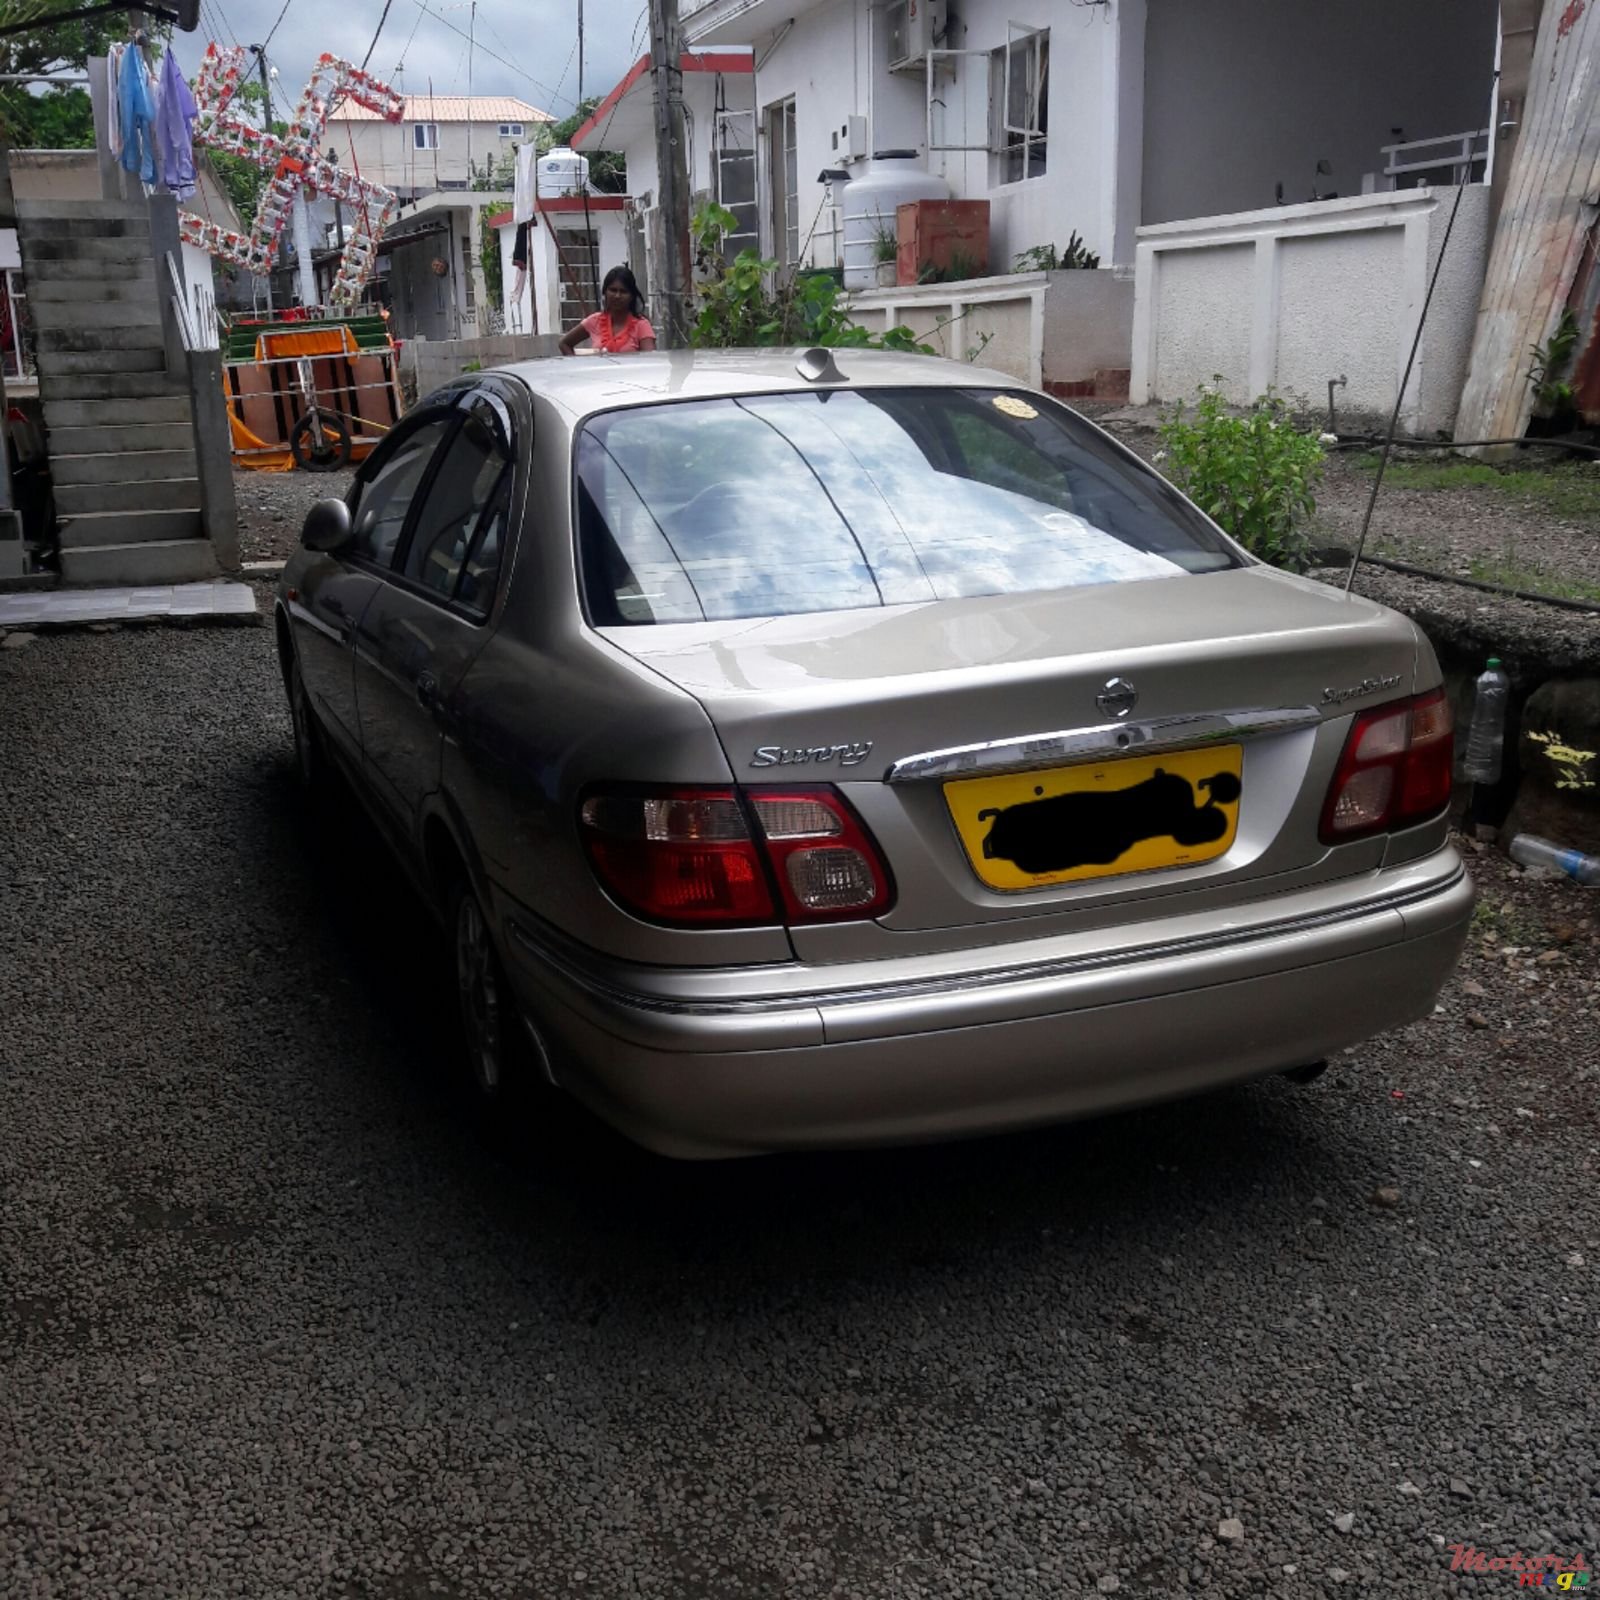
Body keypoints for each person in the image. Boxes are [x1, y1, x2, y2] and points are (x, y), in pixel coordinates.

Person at [559, 266, 656, 356]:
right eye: (613, 290)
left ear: (632, 296)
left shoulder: (641, 325)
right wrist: (577, 366)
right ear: (605, 292)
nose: (617, 296)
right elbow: (564, 343)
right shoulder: (594, 321)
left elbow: (650, 361)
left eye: (623, 291)